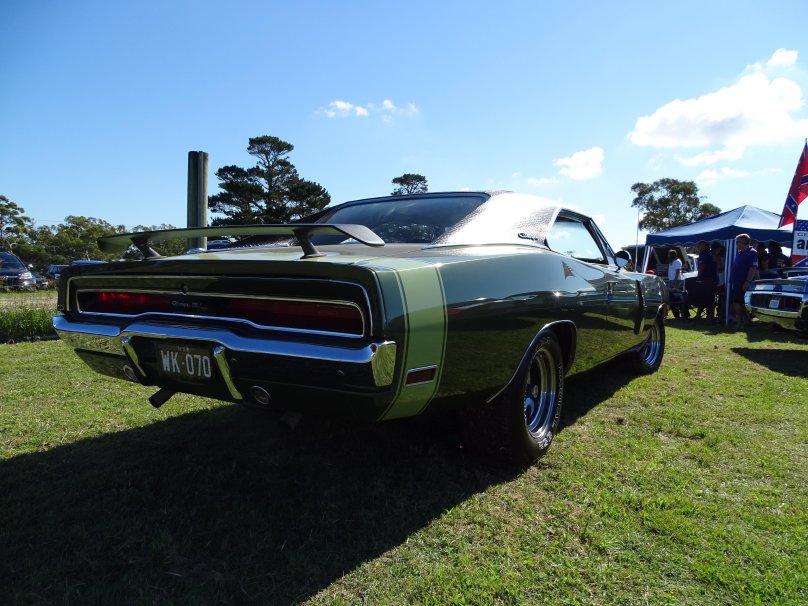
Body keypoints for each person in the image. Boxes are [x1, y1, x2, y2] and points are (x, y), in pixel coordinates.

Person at [729, 233, 758, 327]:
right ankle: (746, 321)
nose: (736, 244)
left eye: (738, 242)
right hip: (737, 282)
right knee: (739, 303)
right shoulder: (740, 252)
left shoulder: (752, 252)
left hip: (743, 282)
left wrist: (748, 281)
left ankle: (740, 321)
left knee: (737, 302)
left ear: (744, 242)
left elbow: (752, 268)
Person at [694, 240, 718, 320]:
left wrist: (698, 277)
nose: (698, 247)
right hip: (712, 278)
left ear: (704, 245)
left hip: (706, 279)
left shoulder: (705, 254)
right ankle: (709, 315)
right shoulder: (711, 253)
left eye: (699, 245)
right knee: (710, 297)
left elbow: (701, 267)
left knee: (705, 297)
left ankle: (706, 315)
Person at [667, 249, 687, 319]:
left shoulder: (677, 261)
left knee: (677, 298)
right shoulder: (671, 262)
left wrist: (675, 283)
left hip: (676, 281)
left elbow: (677, 273)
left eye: (669, 254)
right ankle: (677, 315)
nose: (668, 256)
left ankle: (684, 314)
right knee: (671, 298)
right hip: (671, 280)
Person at [711, 241, 726, 323]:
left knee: (722, 298)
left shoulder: (720, 257)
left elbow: (720, 268)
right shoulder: (720, 255)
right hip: (720, 280)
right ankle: (720, 314)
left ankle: (722, 315)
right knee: (721, 299)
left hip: (722, 280)